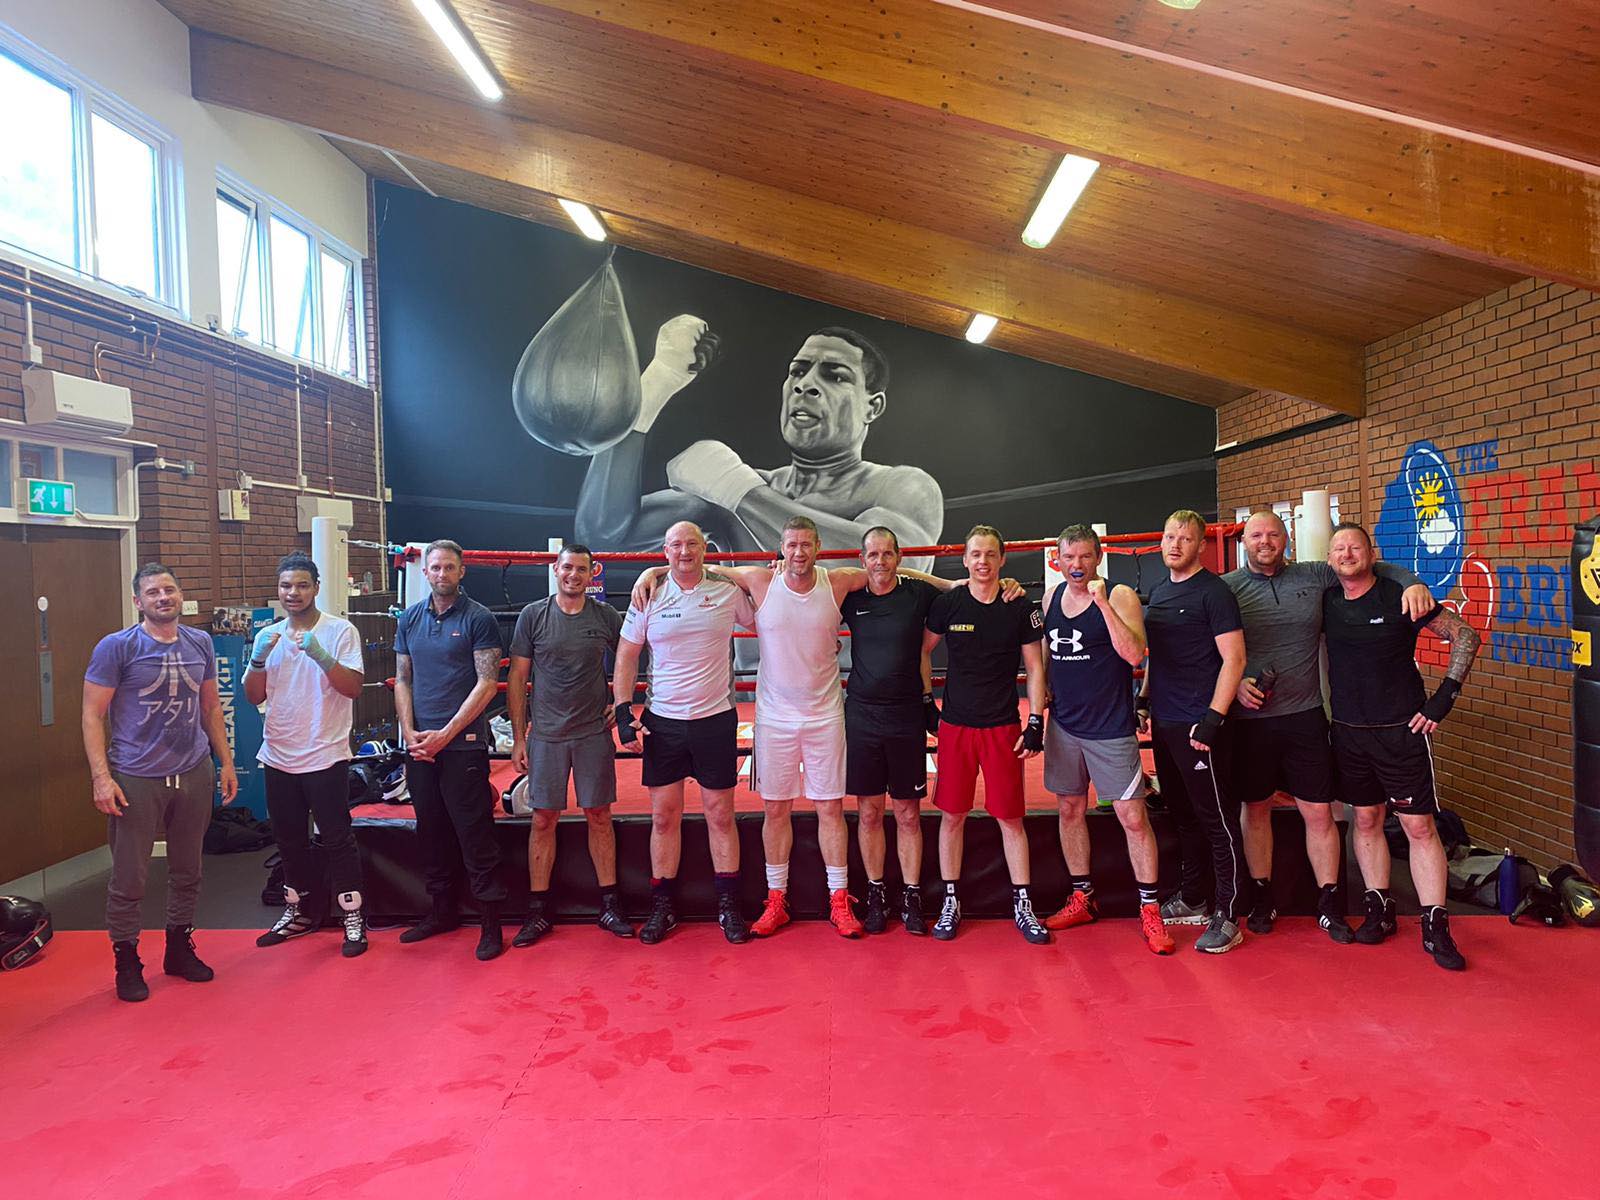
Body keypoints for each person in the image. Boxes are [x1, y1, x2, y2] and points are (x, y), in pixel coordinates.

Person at [631, 521, 1003, 937]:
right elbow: (699, 566)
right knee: (776, 810)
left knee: (830, 809)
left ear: (818, 547)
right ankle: (776, 899)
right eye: (791, 545)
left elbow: (891, 570)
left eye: (806, 545)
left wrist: (952, 583)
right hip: (774, 718)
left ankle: (838, 899)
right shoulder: (759, 579)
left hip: (825, 716)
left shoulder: (837, 581)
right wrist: (654, 571)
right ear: (781, 547)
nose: (798, 552)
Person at [1223, 511, 1434, 940]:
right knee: (1256, 809)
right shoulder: (1226, 588)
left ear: (1287, 539)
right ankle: (1262, 897)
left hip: (1305, 716)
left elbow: (1365, 565)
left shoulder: (1315, 574)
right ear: (1243, 540)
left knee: (1319, 812)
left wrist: (1412, 580)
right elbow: (1207, 647)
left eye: (1273, 534)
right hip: (1251, 720)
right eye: (1256, 535)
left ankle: (1329, 901)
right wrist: (1233, 684)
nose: (1265, 541)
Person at [577, 323, 943, 568]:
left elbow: (894, 566)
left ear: (872, 406)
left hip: (846, 669)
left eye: (834, 376)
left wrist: (739, 490)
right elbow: (602, 538)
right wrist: (655, 386)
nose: (805, 384)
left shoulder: (899, 486)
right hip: (751, 669)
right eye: (798, 371)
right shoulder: (738, 491)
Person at [1323, 522, 1481, 970]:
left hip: (1401, 731)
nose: (1347, 554)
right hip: (1349, 731)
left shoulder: (1401, 595)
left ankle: (1435, 923)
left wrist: (1443, 698)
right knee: (1366, 820)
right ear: (1329, 558)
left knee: (1418, 827)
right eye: (1339, 549)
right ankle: (1379, 907)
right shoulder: (1326, 598)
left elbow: (1465, 636)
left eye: (1355, 547)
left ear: (1371, 554)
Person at [82, 564, 239, 1002]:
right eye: (152, 592)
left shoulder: (200, 642)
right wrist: (101, 777)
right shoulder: (117, 647)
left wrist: (226, 762)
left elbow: (211, 707)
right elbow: (92, 714)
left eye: (169, 589)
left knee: (189, 870)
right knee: (129, 877)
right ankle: (127, 960)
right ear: (138, 602)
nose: (163, 597)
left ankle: (178, 948)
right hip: (136, 775)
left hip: (192, 769)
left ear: (179, 595)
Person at [613, 521, 756, 944]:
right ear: (665, 551)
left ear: (704, 547)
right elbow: (627, 654)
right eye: (675, 545)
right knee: (663, 817)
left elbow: (769, 618)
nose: (684, 551)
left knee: (720, 815)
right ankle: (663, 907)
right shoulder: (649, 593)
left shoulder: (726, 591)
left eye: (692, 543)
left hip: (715, 718)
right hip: (664, 721)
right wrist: (622, 710)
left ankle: (729, 906)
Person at [1040, 526, 1173, 955]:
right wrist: (1042, 696)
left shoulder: (1119, 595)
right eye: (1068, 558)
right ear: (1057, 560)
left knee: (1132, 817)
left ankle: (1150, 909)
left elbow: (1134, 654)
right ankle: (1082, 897)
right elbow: (1047, 655)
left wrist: (1101, 603)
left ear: (1098, 557)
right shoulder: (1050, 599)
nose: (1076, 565)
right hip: (1064, 724)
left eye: (1084, 556)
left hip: (1111, 727)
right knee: (1069, 809)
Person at [921, 525, 1050, 943]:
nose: (982, 561)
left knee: (1011, 818)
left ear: (1002, 559)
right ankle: (950, 901)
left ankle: (1023, 903)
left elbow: (1035, 667)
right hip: (956, 726)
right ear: (964, 559)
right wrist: (926, 701)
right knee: (952, 816)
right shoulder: (949, 603)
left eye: (990, 554)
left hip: (1002, 727)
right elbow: (923, 650)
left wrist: (1036, 721)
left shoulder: (1019, 606)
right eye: (975, 554)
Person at [505, 543, 632, 946]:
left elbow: (630, 658)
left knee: (599, 815)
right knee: (543, 818)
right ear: (555, 570)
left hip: (592, 731)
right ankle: (538, 910)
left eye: (581, 569)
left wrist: (622, 704)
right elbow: (517, 678)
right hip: (546, 734)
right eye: (567, 568)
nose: (573, 575)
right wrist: (519, 737)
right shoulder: (534, 615)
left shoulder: (605, 616)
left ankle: (610, 905)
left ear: (591, 574)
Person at [246, 553, 367, 956]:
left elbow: (353, 688)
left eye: (301, 585)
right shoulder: (270, 635)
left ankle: (352, 914)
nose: (293, 593)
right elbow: (253, 696)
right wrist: (257, 660)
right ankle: (298, 910)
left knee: (336, 838)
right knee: (288, 839)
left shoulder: (340, 631)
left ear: (316, 587)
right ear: (278, 590)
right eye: (286, 586)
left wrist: (321, 655)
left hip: (325, 752)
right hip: (278, 752)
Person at [393, 540, 508, 960]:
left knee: (475, 833)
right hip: (421, 746)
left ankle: (491, 922)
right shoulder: (409, 618)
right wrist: (409, 731)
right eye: (435, 567)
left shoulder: (479, 618)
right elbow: (402, 678)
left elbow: (487, 683)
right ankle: (442, 912)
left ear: (462, 572)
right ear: (425, 572)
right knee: (431, 830)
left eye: (449, 568)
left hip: (463, 745)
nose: (442, 574)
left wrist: (446, 733)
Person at [1143, 511, 1249, 954]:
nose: (1175, 545)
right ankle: (1193, 896)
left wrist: (1213, 718)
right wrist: (1143, 698)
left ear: (1201, 546)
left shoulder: (1214, 592)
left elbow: (1235, 659)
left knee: (1217, 819)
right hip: (1166, 720)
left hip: (1199, 724)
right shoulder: (1159, 591)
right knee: (1183, 815)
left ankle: (1230, 912)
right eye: (1170, 537)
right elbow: (1158, 656)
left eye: (1185, 539)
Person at [841, 526, 939, 934]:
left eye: (887, 554)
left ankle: (912, 895)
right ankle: (877, 892)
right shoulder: (851, 599)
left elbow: (961, 589)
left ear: (899, 557)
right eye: (873, 555)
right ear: (862, 559)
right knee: (868, 811)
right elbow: (802, 591)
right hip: (862, 716)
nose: (880, 561)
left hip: (905, 715)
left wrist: (998, 583)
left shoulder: (918, 594)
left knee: (907, 812)